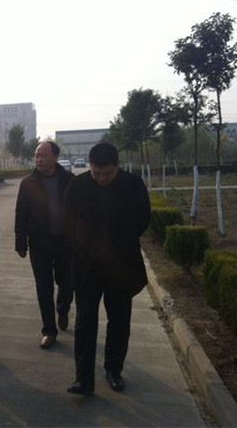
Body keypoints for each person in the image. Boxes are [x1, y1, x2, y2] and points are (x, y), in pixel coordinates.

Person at [64, 142, 150, 395]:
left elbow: (143, 220)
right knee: (85, 322)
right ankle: (83, 379)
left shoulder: (133, 185)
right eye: (96, 173)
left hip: (121, 267)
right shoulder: (77, 186)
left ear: (117, 165)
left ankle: (114, 369)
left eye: (107, 173)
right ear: (90, 166)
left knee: (119, 322)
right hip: (87, 267)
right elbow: (68, 220)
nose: (102, 178)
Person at [15, 141, 74, 349]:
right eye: (36, 155)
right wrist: (21, 242)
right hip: (39, 243)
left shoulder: (70, 181)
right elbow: (21, 214)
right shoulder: (28, 183)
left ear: (55, 157)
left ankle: (63, 309)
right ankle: (49, 330)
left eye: (43, 156)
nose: (38, 159)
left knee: (67, 283)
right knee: (43, 288)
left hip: (66, 243)